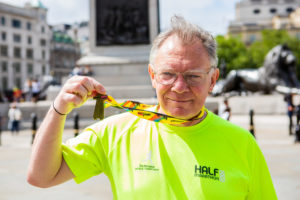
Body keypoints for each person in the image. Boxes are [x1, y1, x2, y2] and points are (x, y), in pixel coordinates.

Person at [27, 16, 277, 199]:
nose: (179, 87)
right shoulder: (115, 132)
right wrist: (58, 109)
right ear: (152, 75)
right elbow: (41, 177)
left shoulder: (242, 143)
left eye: (193, 76)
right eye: (168, 74)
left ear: (213, 79)